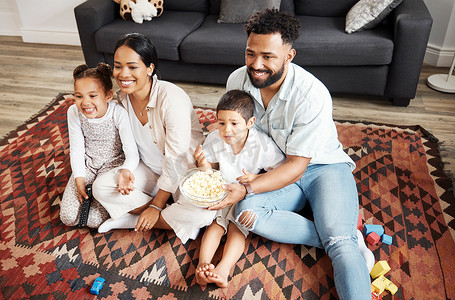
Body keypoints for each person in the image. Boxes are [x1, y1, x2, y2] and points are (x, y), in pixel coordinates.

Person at [207, 9, 373, 299]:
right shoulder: (237, 80)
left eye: (268, 57)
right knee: (246, 213)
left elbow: (297, 165)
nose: (256, 65)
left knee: (341, 244)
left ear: (289, 56)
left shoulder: (312, 95)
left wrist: (246, 187)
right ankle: (337, 236)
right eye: (250, 54)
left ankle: (343, 239)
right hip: (274, 168)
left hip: (322, 168)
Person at [93, 33, 217, 244]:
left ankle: (130, 219)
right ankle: (173, 218)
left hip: (182, 171)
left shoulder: (171, 98)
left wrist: (155, 206)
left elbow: (176, 160)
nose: (123, 74)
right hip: (148, 168)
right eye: (118, 66)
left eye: (133, 67)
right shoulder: (122, 99)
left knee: (205, 214)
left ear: (150, 68)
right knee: (101, 187)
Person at [193, 90, 285, 288]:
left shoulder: (262, 144)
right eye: (222, 123)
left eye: (234, 123)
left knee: (236, 229)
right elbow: (208, 164)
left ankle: (223, 269)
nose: (227, 130)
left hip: (246, 194)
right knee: (216, 226)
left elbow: (280, 171)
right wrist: (203, 164)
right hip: (223, 190)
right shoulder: (215, 139)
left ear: (250, 123)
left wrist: (257, 178)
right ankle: (203, 265)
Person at [60, 63, 139, 228]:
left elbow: (132, 151)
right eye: (79, 96)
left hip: (112, 166)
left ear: (108, 95)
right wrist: (79, 178)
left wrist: (126, 170)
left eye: (93, 96)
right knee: (67, 217)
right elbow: (76, 149)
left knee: (94, 221)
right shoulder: (73, 112)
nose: (85, 103)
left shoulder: (118, 113)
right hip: (88, 164)